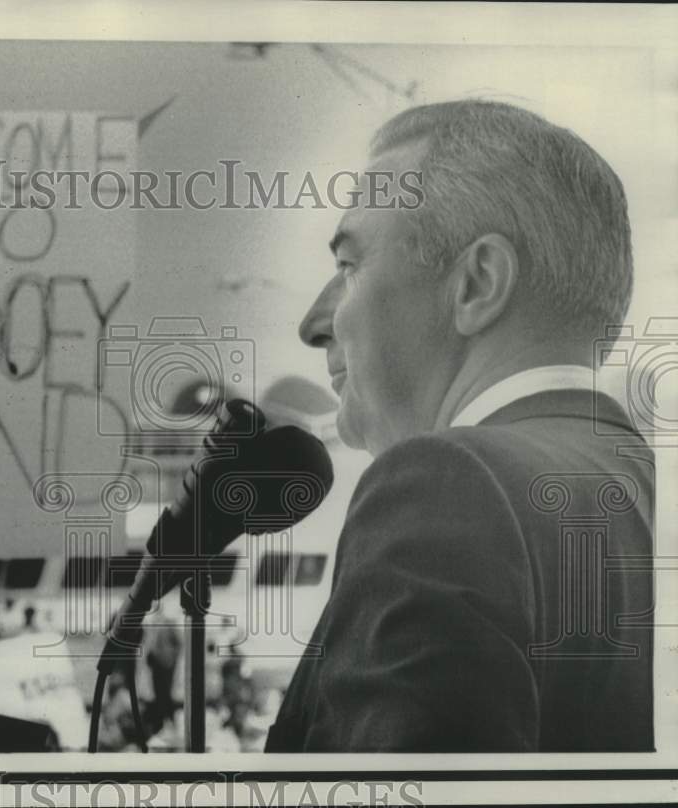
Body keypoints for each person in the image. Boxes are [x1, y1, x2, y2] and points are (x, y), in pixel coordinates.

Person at [266, 100, 654, 752]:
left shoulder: (444, 485)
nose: (313, 322)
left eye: (348, 266)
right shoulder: (644, 492)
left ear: (476, 283)